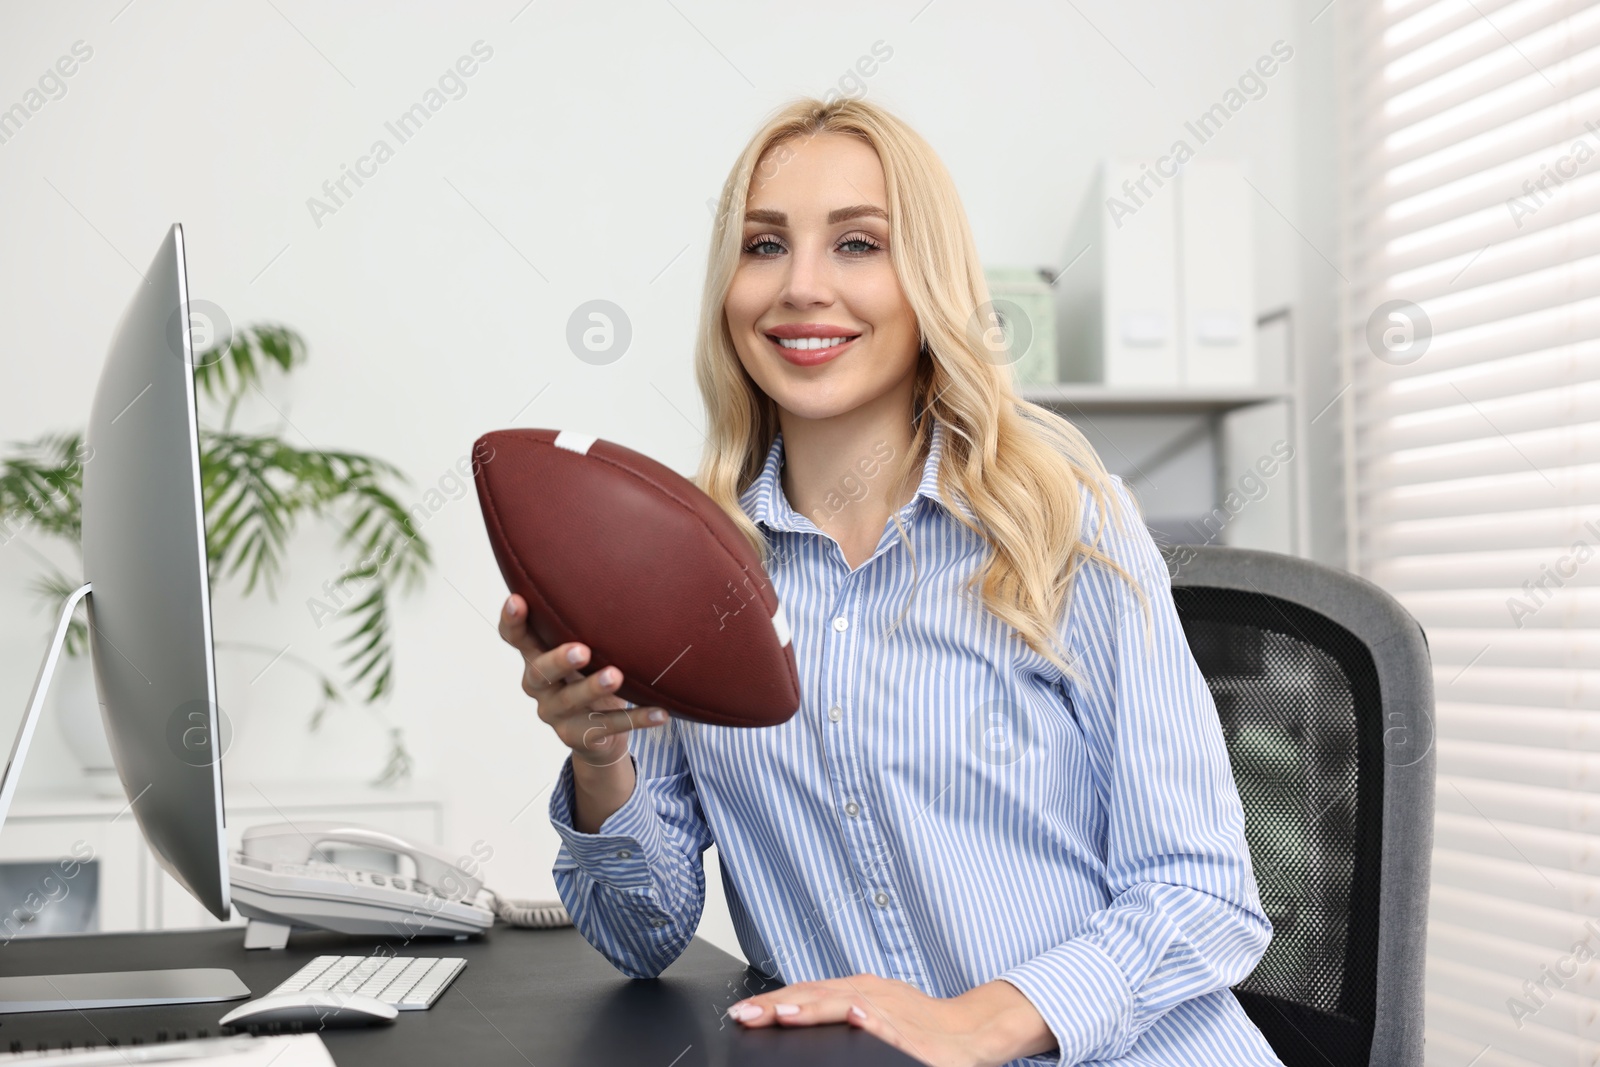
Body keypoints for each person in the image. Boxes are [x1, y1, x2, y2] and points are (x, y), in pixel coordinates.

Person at [497, 97, 1284, 1067]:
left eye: (858, 243)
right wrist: (600, 754)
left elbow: (1202, 893)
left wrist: (983, 1016)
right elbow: (640, 934)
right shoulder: (695, 569)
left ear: (929, 282)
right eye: (764, 245)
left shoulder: (1064, 520)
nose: (802, 286)